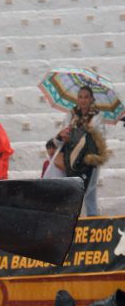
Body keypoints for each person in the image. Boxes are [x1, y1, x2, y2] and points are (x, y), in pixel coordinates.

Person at [52, 86, 109, 217]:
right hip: (72, 159)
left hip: (89, 159)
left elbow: (101, 138)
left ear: (91, 99)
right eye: (80, 97)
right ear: (77, 99)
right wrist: (65, 134)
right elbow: (61, 136)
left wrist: (89, 130)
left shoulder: (97, 116)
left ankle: (92, 223)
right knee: (71, 192)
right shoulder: (71, 115)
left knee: (90, 192)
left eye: (86, 97)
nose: (83, 100)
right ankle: (71, 225)